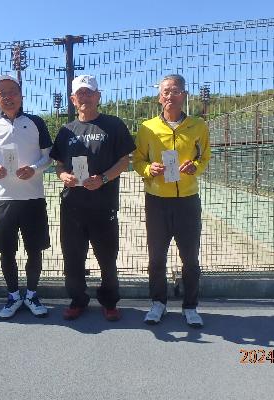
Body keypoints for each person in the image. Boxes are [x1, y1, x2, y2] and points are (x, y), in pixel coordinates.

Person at [50, 75, 136, 322]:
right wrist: (64, 175)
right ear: (73, 99)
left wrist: (104, 178)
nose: (85, 97)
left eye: (89, 92)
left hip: (103, 205)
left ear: (98, 96)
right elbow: (58, 165)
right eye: (80, 93)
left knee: (107, 259)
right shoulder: (66, 130)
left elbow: (124, 161)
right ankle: (78, 300)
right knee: (73, 258)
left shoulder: (113, 125)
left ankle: (109, 302)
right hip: (72, 207)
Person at [133, 74, 211, 327]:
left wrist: (195, 167)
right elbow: (138, 160)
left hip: (188, 200)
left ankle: (190, 306)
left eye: (175, 91)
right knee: (156, 257)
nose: (170, 96)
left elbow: (205, 157)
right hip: (157, 200)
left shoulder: (198, 126)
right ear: (159, 98)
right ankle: (158, 303)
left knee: (190, 258)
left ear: (184, 95)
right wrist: (149, 169)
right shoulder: (147, 128)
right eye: (165, 92)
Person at [0, 75, 53, 319]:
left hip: (33, 199)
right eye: (2, 93)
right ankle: (13, 296)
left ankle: (31, 294)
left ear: (21, 96)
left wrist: (34, 169)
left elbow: (48, 157)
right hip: (4, 200)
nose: (8, 96)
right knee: (7, 252)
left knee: (34, 250)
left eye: (12, 91)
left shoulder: (36, 122)